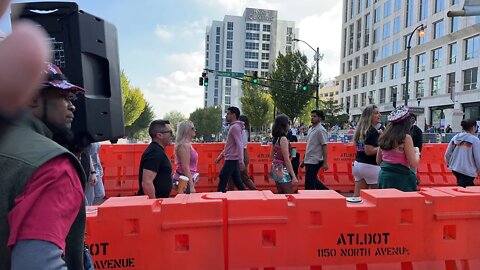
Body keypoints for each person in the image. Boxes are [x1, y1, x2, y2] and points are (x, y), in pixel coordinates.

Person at [0, 63, 87, 269]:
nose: (72, 106)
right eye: (64, 97)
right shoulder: (53, 166)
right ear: (31, 98)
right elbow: (36, 264)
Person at [376, 105, 420, 192]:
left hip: (384, 177)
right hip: (401, 179)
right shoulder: (406, 138)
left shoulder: (384, 136)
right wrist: (417, 153)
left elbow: (378, 161)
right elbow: (413, 164)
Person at [137, 120, 174, 198]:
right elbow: (147, 182)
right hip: (154, 204)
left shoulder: (157, 151)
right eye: (170, 132)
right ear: (160, 135)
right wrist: (154, 205)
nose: (172, 136)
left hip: (160, 202)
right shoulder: (154, 153)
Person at [352, 105, 381, 197]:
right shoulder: (372, 131)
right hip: (371, 166)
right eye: (376, 113)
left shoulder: (361, 130)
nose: (379, 115)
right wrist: (383, 146)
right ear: (370, 116)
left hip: (358, 164)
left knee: (357, 196)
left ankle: (353, 211)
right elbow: (369, 151)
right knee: (377, 197)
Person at [215, 106, 246, 192]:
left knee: (223, 176)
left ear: (233, 115)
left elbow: (239, 144)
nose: (226, 116)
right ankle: (246, 197)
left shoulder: (234, 128)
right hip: (232, 158)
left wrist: (241, 161)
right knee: (237, 181)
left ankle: (219, 196)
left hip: (231, 159)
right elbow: (230, 146)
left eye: (228, 114)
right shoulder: (234, 127)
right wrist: (220, 156)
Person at [444, 119, 480, 187]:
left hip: (456, 168)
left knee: (465, 187)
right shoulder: (474, 140)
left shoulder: (455, 138)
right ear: (473, 127)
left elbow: (447, 154)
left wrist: (450, 164)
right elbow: (478, 157)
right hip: (468, 170)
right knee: (467, 190)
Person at [270, 114, 298, 194]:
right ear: (285, 124)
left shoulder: (275, 138)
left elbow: (271, 155)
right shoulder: (283, 139)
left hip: (275, 166)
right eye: (288, 123)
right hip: (282, 168)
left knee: (281, 194)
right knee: (289, 194)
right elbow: (286, 159)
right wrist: (293, 176)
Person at [227, 115, 257, 190]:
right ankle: (253, 191)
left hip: (240, 155)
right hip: (242, 154)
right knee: (240, 176)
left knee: (240, 177)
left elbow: (240, 145)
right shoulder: (245, 131)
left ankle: (254, 191)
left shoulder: (242, 131)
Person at [303, 110, 329, 190]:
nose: (312, 118)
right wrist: (304, 158)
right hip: (309, 159)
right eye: (312, 116)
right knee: (313, 180)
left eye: (315, 116)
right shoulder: (311, 129)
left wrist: (325, 162)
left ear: (320, 118)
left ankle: (310, 198)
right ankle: (328, 193)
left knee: (309, 182)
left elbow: (324, 145)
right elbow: (309, 145)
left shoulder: (321, 130)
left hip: (315, 160)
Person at [173, 120, 199, 194]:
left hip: (185, 179)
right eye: (192, 128)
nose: (195, 130)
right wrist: (191, 186)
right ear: (187, 130)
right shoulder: (184, 145)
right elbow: (185, 167)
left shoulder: (186, 144)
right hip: (184, 181)